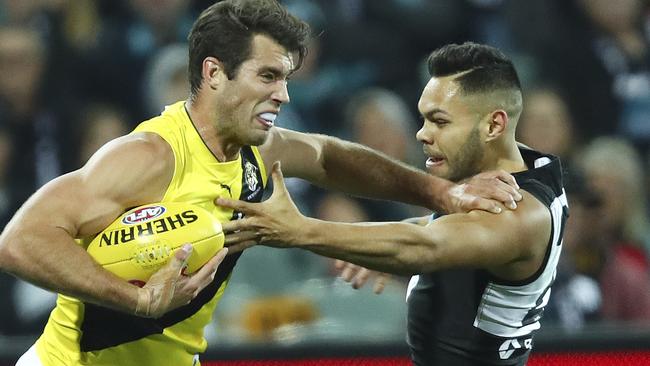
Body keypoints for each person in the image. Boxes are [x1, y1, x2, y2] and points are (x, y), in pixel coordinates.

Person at [0, 1, 521, 365]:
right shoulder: (148, 156)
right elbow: (20, 240)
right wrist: (130, 298)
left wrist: (442, 192)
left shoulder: (257, 149)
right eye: (268, 77)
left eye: (287, 79)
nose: (284, 96)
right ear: (214, 73)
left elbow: (328, 156)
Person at [218, 42, 568, 366]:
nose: (422, 134)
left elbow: (425, 247)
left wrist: (300, 230)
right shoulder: (518, 170)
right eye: (423, 118)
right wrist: (375, 246)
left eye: (440, 121)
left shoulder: (517, 211)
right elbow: (439, 234)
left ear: (494, 124)